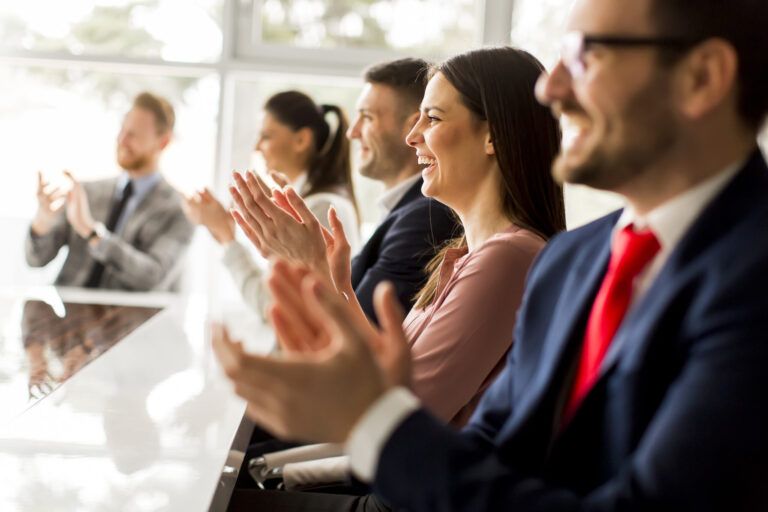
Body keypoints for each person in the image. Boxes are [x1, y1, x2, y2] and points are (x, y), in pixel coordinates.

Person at [212, 0, 768, 509]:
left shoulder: (752, 278)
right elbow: (486, 450)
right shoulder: (571, 260)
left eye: (586, 55)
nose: (551, 89)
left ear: (702, 77)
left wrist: (373, 418)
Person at [222, 46, 565, 510]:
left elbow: (397, 410)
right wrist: (334, 282)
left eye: (434, 119)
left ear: (493, 135)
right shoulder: (469, 254)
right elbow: (387, 375)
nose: (413, 138)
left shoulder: (508, 258)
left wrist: (315, 275)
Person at [227, 59, 460, 324]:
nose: (352, 132)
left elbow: (361, 331)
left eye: (368, 117)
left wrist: (304, 261)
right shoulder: (404, 211)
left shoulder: (424, 218)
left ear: (411, 128)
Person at [183, 90, 360, 314]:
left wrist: (227, 237)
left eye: (266, 136)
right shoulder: (320, 201)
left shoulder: (320, 208)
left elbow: (272, 308)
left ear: (301, 140)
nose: (257, 147)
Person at [25, 92, 193, 291]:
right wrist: (43, 222)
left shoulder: (180, 210)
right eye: (122, 130)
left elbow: (152, 277)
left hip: (130, 319)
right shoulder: (88, 192)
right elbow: (35, 260)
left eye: (133, 135)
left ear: (163, 142)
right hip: (66, 314)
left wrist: (93, 233)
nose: (122, 140)